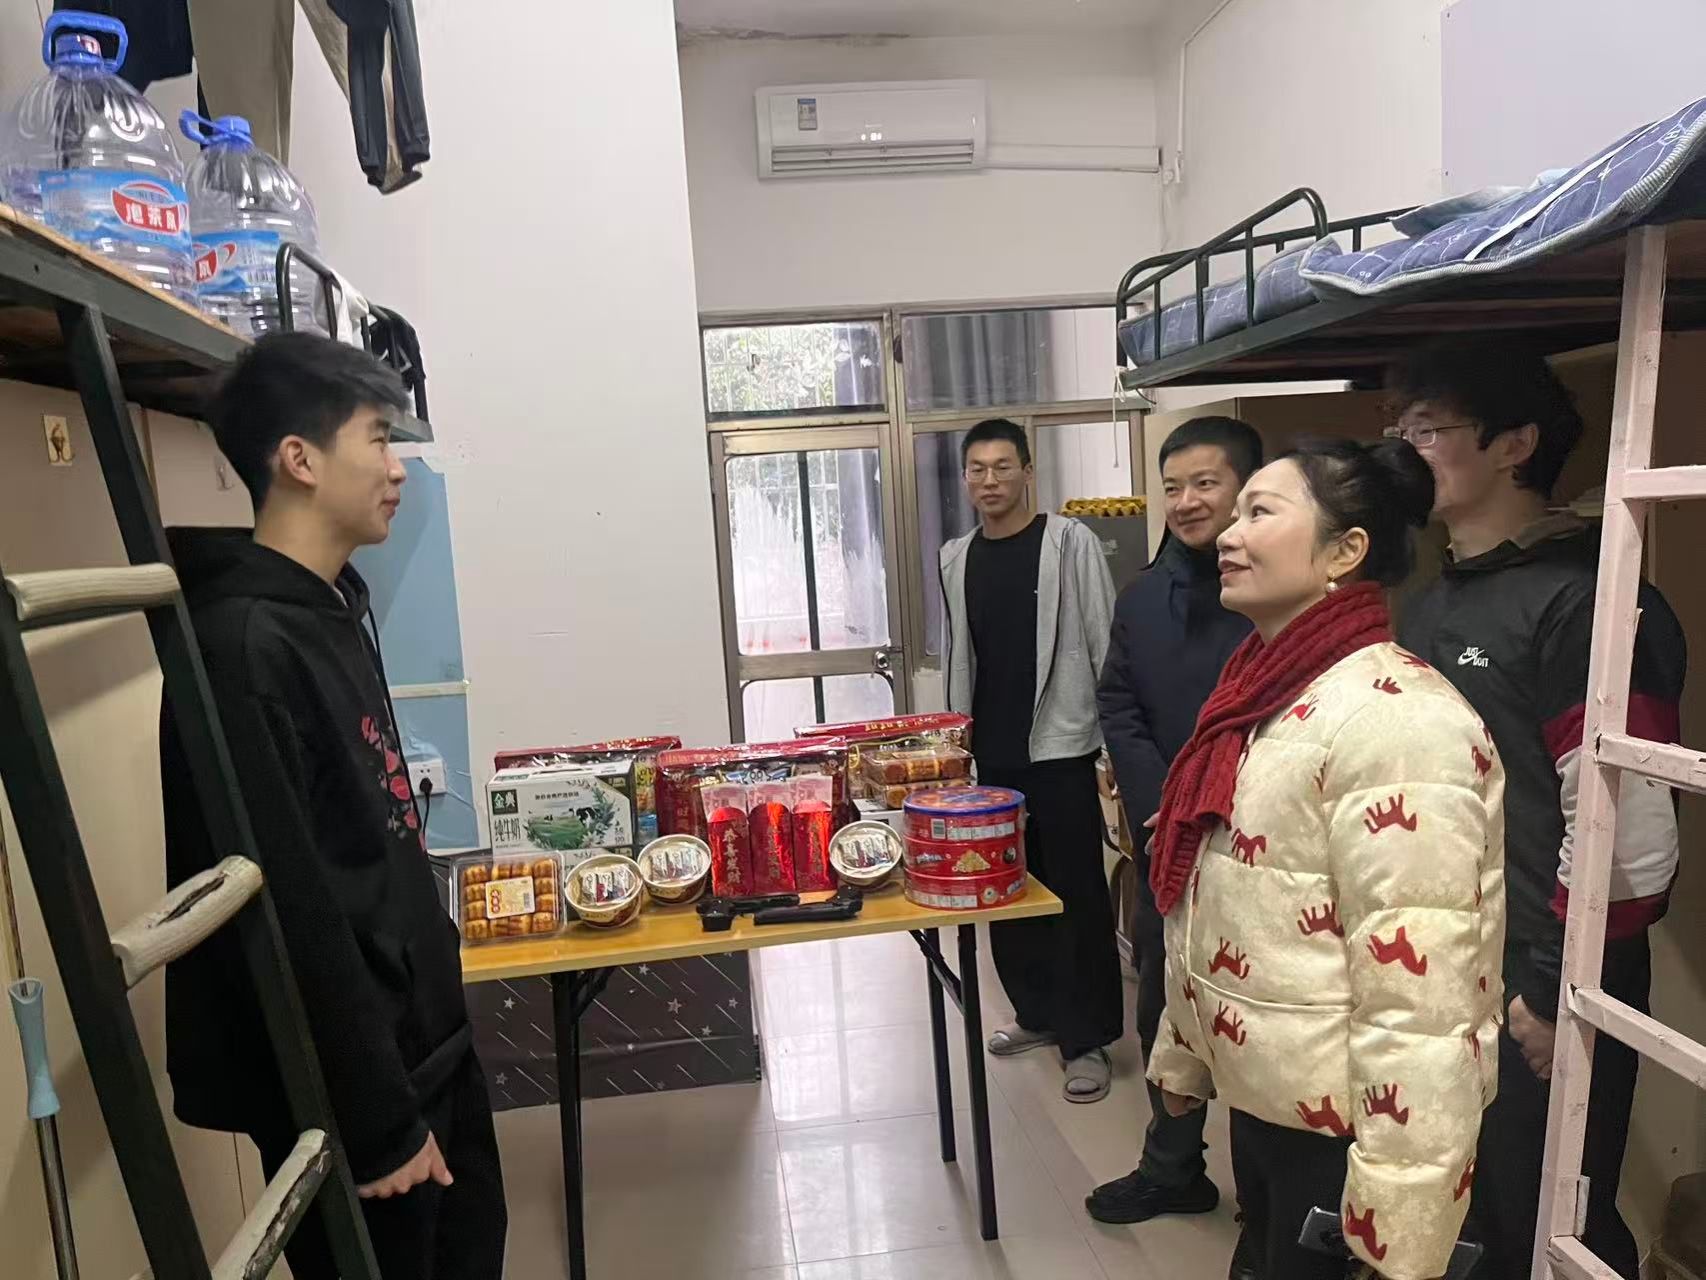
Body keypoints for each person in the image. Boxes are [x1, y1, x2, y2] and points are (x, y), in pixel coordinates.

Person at [160, 333, 506, 1279]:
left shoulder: (328, 605)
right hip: (357, 1102)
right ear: (299, 459)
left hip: (424, 1055)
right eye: (378, 439)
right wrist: (378, 1123)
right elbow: (288, 909)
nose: (398, 468)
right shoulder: (242, 647)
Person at [1145, 438, 1505, 1280]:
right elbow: (1229, 895)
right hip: (1273, 1097)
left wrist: (1399, 1218)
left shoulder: (1400, 722)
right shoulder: (1265, 691)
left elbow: (1423, 1002)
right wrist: (1187, 1048)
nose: (1228, 535)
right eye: (1236, 515)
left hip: (1348, 1130)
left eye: (1259, 512)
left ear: (1346, 552)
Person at [1391, 344, 1685, 1280]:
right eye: (1401, 429)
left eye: (1428, 430)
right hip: (1451, 954)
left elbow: (1629, 832)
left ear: (1515, 444)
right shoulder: (1433, 601)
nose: (1404, 451)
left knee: (1553, 1215)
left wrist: (1555, 988)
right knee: (1466, 1209)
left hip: (1547, 971)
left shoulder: (1588, 599)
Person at [1090, 418, 1264, 1266]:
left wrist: (1215, 804)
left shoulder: (1281, 596)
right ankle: (1172, 1168)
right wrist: (1167, 804)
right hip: (1170, 841)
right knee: (1164, 1007)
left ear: (1249, 488)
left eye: (1207, 483)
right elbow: (1118, 704)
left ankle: (1272, 1200)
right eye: (1174, 487)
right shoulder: (1142, 598)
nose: (1187, 502)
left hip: (1262, 846)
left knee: (1263, 1021)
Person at [940, 417, 1124, 1102]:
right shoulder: (956, 556)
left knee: (1075, 894)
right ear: (965, 479)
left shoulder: (1069, 543)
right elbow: (961, 654)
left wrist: (1114, 745)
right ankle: (1038, 1013)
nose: (989, 480)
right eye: (977, 469)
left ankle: (1087, 1038)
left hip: (1062, 749)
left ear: (1026, 471)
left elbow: (1104, 641)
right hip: (991, 756)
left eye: (1002, 466)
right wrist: (955, 746)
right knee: (1008, 891)